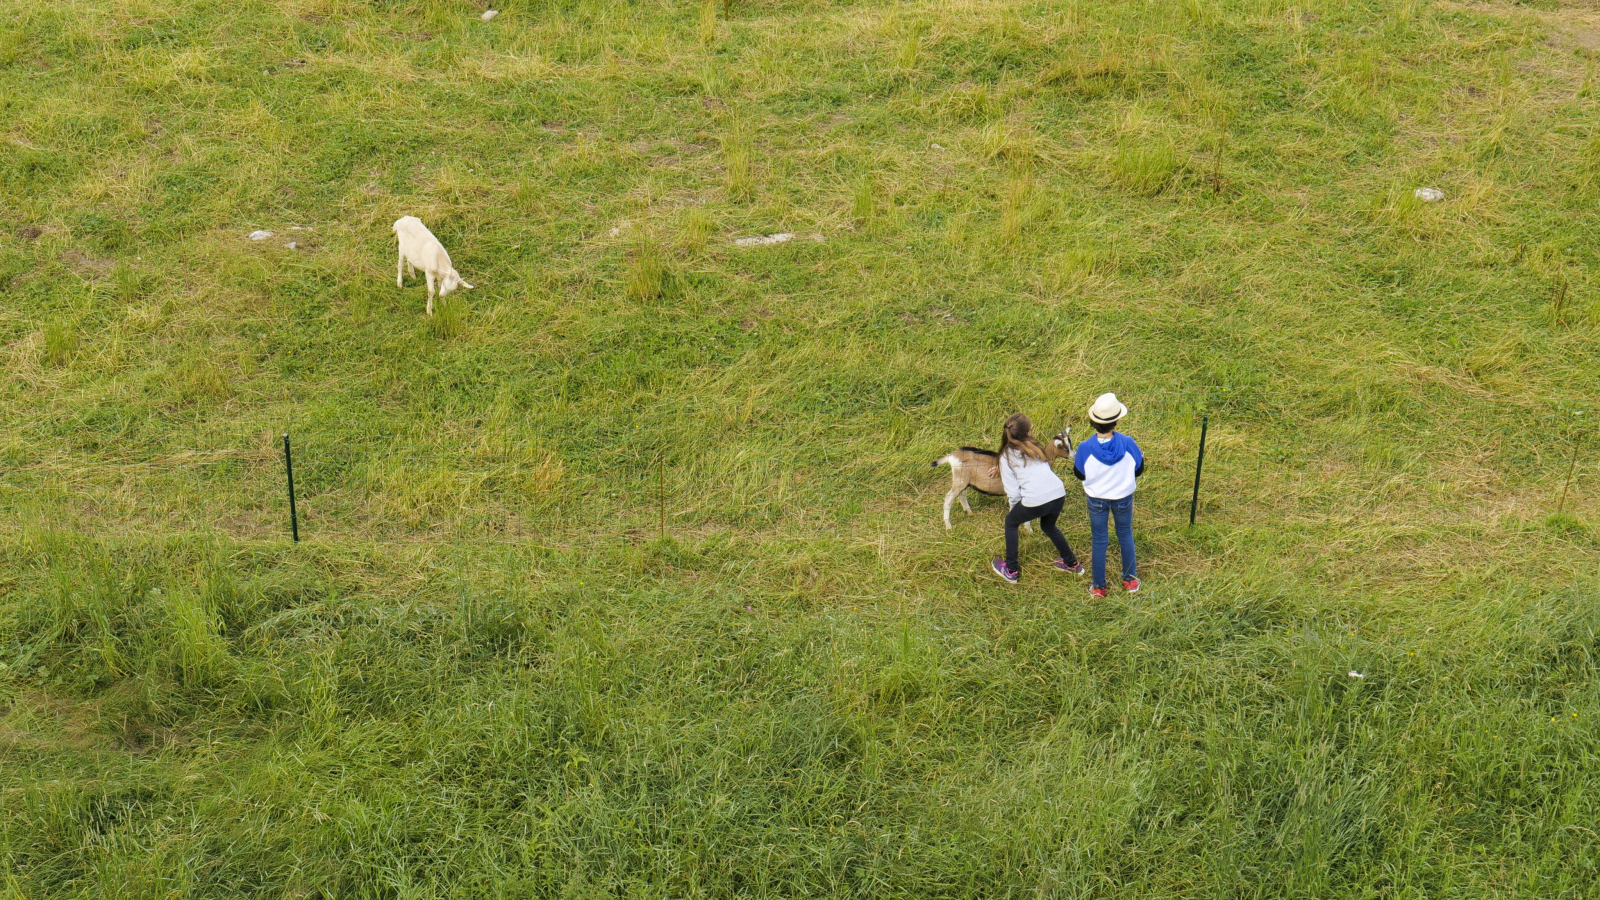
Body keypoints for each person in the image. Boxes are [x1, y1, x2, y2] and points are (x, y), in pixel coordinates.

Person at [991, 413, 1084, 583]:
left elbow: (1012, 492)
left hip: (1035, 499)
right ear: (1028, 433)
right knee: (1049, 526)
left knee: (1010, 523)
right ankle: (1072, 563)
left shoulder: (1006, 456)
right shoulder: (1035, 446)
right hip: (1058, 493)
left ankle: (1011, 570)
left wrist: (1015, 510)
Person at [1073, 393, 1144, 598]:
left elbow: (1079, 474)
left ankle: (1099, 587)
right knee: (1125, 534)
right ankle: (1130, 579)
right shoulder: (1129, 443)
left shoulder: (1085, 448)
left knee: (1099, 540)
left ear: (1093, 422)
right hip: (1123, 497)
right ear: (1117, 420)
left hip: (1096, 499)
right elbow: (1138, 469)